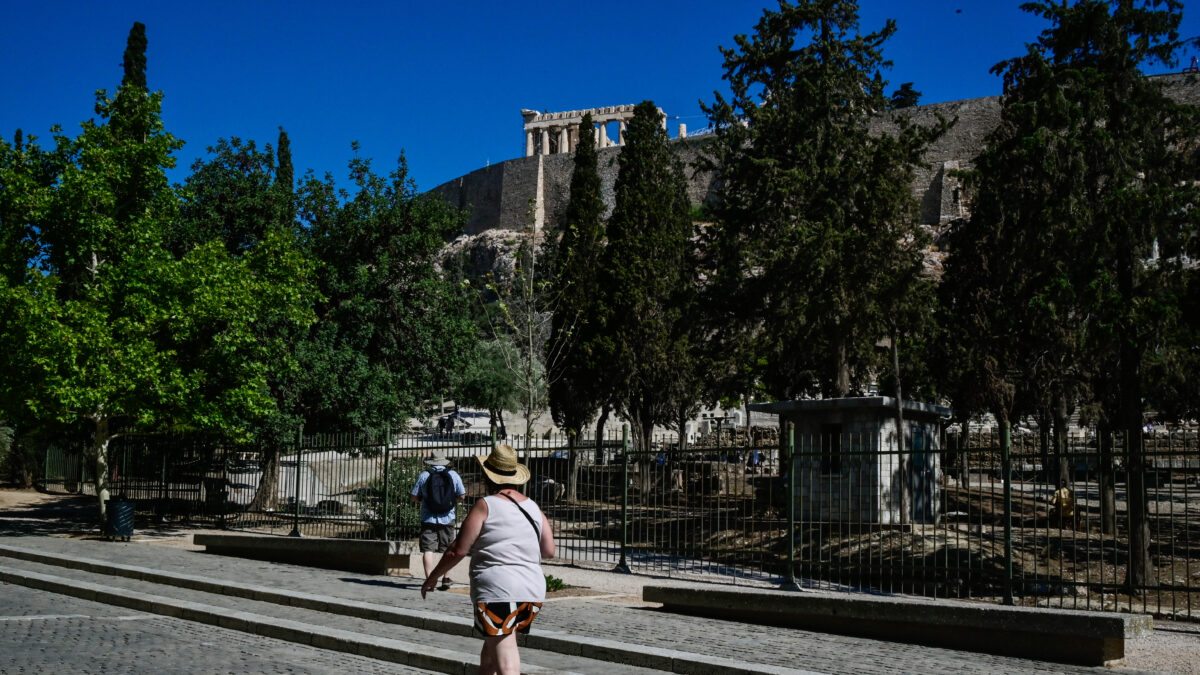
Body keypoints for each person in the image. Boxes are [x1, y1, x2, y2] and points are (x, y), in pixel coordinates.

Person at [421, 444, 556, 675]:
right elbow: (549, 550)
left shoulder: (486, 505)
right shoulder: (533, 506)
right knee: (490, 659)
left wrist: (432, 577)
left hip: (498, 592)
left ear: (487, 475)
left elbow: (457, 550)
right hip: (531, 592)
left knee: (506, 662)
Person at [410, 451, 466, 590]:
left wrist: (424, 502)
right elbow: (462, 495)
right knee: (448, 549)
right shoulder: (453, 475)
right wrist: (451, 503)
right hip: (448, 517)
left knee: (428, 550)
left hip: (428, 517)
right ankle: (446, 578)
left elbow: (413, 496)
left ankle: (430, 581)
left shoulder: (424, 475)